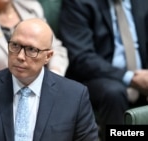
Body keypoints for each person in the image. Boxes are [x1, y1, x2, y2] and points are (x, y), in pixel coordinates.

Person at [0, 18, 98, 141]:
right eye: (15, 45)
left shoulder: (75, 96)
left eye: (31, 50)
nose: (20, 56)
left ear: (48, 56)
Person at [59, 0, 148, 140]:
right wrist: (131, 78)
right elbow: (82, 57)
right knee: (113, 92)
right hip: (96, 77)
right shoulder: (78, 3)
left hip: (142, 73)